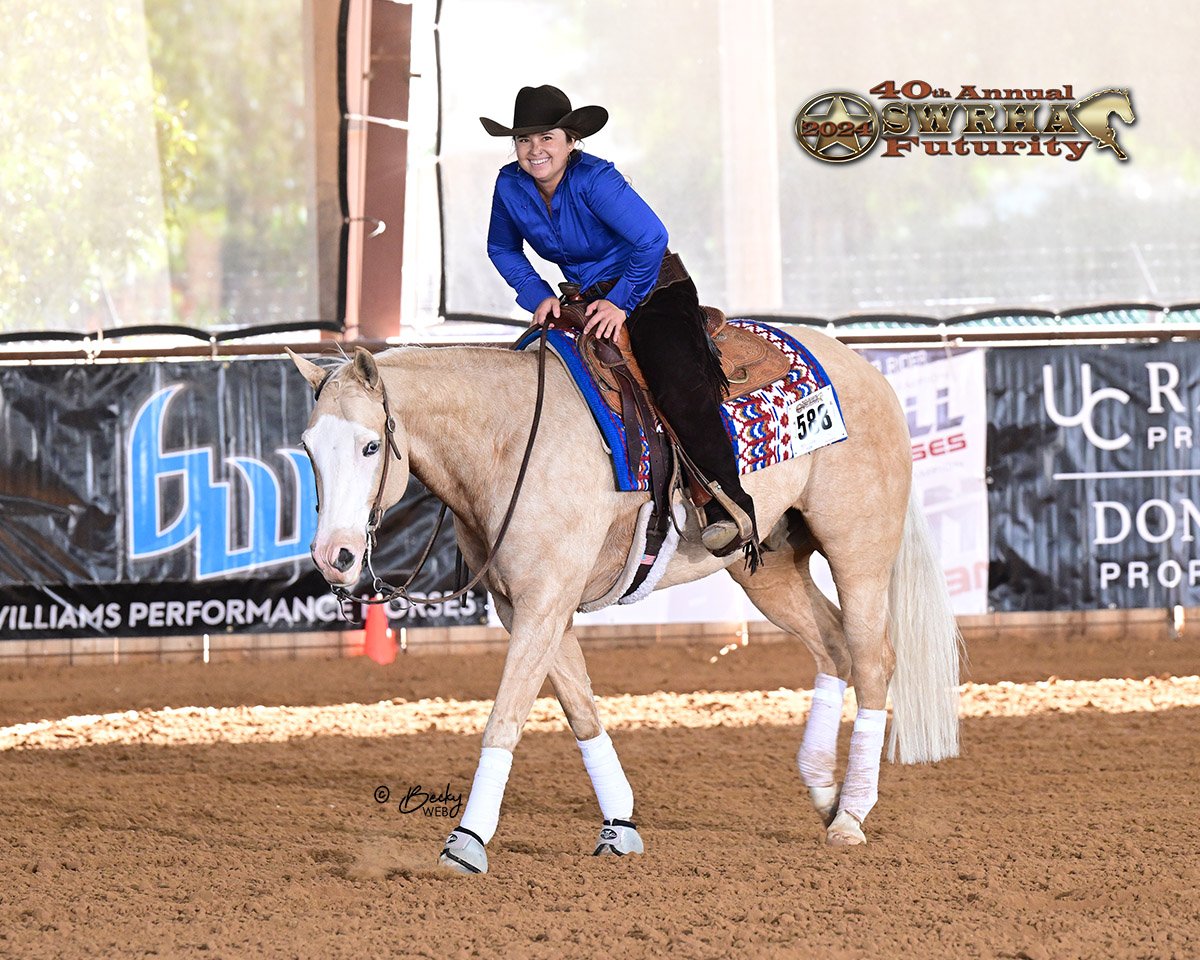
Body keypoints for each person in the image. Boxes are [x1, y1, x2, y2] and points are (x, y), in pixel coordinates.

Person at [481, 84, 757, 560]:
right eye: (525, 141)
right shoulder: (509, 185)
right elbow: (502, 247)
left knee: (672, 381)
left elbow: (652, 238)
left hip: (651, 286)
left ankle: (727, 503)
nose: (535, 150)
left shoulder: (596, 180)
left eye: (547, 138)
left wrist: (623, 302)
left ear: (571, 141)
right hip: (586, 297)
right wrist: (537, 293)